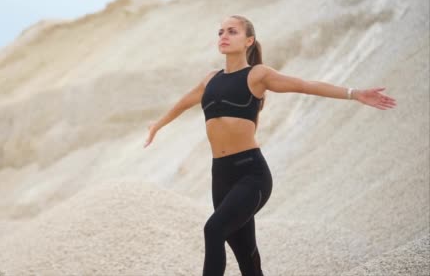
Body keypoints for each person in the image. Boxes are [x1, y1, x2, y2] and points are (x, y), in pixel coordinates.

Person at [143, 15, 397, 276]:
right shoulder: (210, 79)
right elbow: (183, 103)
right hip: (220, 176)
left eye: (232, 31)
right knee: (246, 256)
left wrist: (354, 93)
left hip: (251, 174)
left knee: (214, 229)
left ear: (249, 41)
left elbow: (305, 86)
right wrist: (157, 125)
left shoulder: (258, 75)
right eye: (220, 32)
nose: (224, 36)